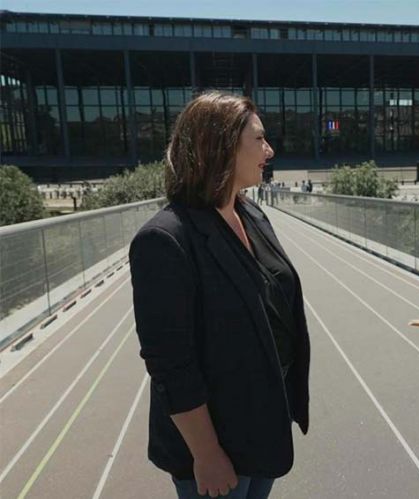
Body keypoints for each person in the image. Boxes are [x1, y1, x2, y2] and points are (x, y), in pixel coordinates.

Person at [129, 91, 310, 499]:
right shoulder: (165, 239)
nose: (270, 149)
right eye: (259, 139)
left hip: (261, 426)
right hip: (214, 447)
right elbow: (171, 363)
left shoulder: (251, 213)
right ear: (222, 146)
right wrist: (206, 453)